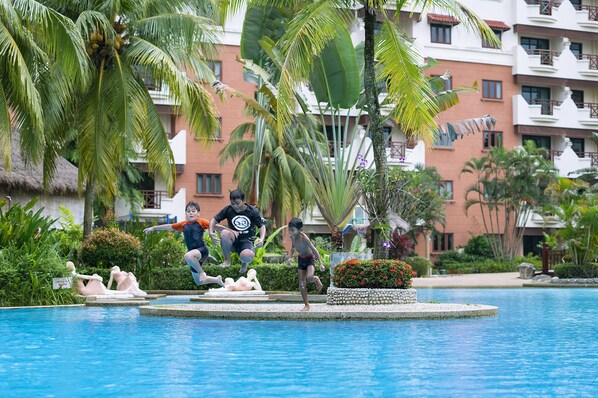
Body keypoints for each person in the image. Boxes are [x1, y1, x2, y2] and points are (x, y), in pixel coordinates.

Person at [144, 201, 225, 288]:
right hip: (193, 257)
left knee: (188, 256)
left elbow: (216, 226)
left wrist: (231, 232)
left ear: (198, 213)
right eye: (188, 211)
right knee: (199, 282)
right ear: (186, 213)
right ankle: (217, 279)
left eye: (193, 211)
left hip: (202, 251)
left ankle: (202, 272)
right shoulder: (183, 225)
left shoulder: (201, 221)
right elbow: (169, 226)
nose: (191, 213)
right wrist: (153, 228)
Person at [209, 189, 266, 274]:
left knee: (247, 256)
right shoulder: (228, 210)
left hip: (247, 241)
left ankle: (244, 263)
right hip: (233, 240)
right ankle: (227, 261)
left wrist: (261, 239)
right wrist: (211, 233)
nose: (235, 206)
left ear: (244, 201)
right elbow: (213, 220)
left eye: (238, 203)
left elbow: (261, 226)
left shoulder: (253, 211)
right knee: (224, 233)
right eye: (232, 204)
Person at [287, 217, 325, 311]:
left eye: (292, 230)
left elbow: (314, 250)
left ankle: (316, 279)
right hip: (301, 260)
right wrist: (289, 258)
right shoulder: (292, 237)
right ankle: (306, 305)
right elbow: (292, 248)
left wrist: (320, 263)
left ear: (300, 230)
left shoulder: (304, 238)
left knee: (310, 277)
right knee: (302, 284)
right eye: (289, 230)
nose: (290, 232)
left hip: (309, 259)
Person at [66, 261, 133, 298]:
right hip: (85, 291)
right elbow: (86, 277)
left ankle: (122, 292)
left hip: (84, 289)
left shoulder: (71, 274)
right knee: (95, 277)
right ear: (72, 267)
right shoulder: (74, 274)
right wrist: (97, 278)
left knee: (95, 277)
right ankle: (123, 292)